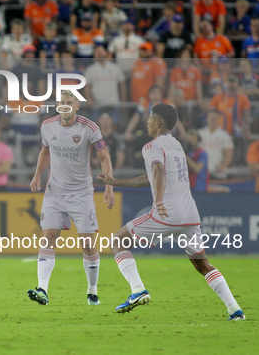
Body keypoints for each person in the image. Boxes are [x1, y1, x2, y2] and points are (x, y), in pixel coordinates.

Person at [98, 103, 245, 320]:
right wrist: (116, 181)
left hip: (168, 212)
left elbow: (158, 171)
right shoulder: (176, 145)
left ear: (157, 123)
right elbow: (149, 177)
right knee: (202, 264)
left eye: (149, 119)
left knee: (117, 242)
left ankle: (138, 289)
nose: (146, 123)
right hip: (190, 215)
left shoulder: (151, 147)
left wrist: (157, 201)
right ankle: (235, 309)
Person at [27, 90, 115, 307]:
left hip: (81, 193)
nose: (65, 106)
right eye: (61, 103)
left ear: (77, 106)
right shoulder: (47, 126)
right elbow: (45, 152)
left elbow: (104, 157)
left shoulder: (89, 127)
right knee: (48, 237)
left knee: (87, 243)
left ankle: (92, 291)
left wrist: (109, 188)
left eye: (69, 102)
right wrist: (37, 175)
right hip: (54, 192)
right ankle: (42, 289)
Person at [83, 45, 127, 118]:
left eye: (101, 51)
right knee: (95, 127)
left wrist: (123, 100)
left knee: (115, 125)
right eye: (97, 52)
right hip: (96, 105)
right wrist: (89, 99)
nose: (99, 54)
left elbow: (122, 84)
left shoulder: (116, 68)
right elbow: (87, 86)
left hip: (113, 103)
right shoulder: (90, 69)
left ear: (106, 53)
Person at [199, 109, 234, 180]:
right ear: (207, 119)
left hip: (217, 173)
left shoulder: (225, 135)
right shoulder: (200, 134)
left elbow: (228, 154)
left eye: (215, 118)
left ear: (219, 119)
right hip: (201, 172)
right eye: (211, 118)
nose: (213, 120)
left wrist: (222, 166)